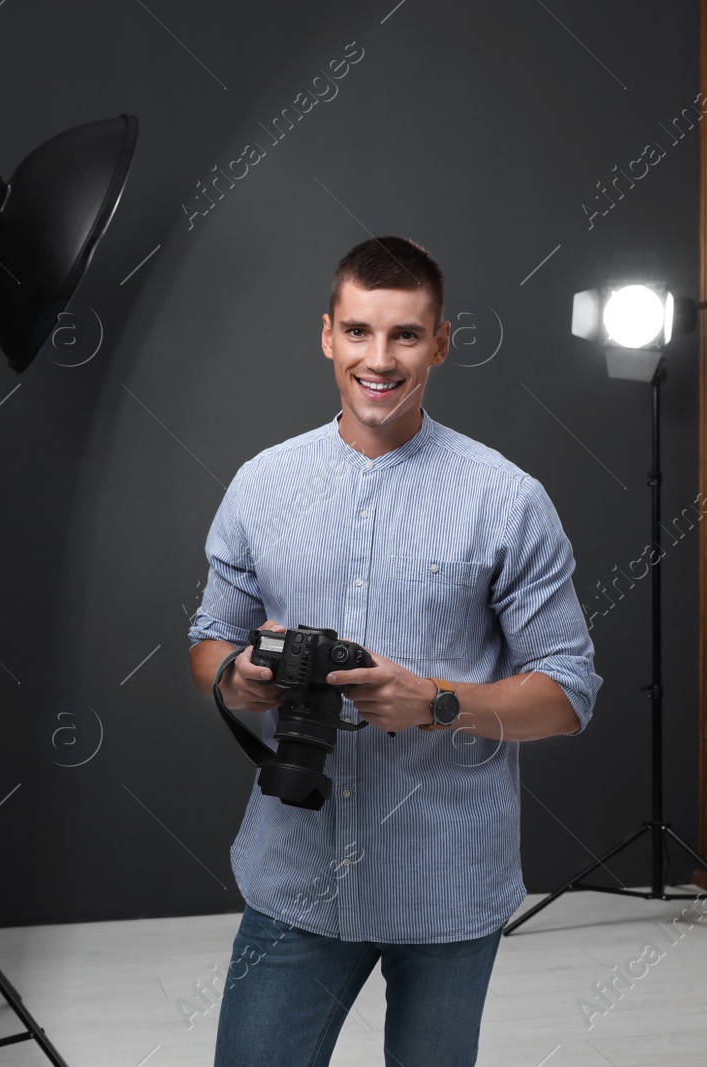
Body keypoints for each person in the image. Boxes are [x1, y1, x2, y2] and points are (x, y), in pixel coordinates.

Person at [186, 235, 602, 1066]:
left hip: (448, 878)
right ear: (328, 335)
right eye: (360, 332)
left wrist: (440, 702)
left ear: (441, 343)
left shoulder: (508, 500)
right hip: (297, 869)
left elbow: (569, 692)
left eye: (406, 334)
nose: (380, 359)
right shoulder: (260, 483)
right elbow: (208, 640)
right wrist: (239, 679)